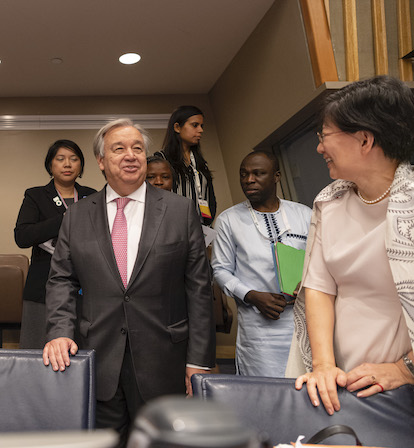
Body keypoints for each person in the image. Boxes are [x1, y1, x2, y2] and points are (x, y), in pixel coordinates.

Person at [43, 118, 215, 445]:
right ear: (101, 161)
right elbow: (61, 279)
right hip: (99, 356)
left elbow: (199, 290)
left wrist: (199, 360)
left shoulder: (180, 211)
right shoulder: (77, 216)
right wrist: (59, 331)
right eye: (119, 148)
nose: (131, 155)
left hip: (165, 360)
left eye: (138, 148)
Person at [290, 76, 414, 415]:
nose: (319, 148)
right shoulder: (328, 202)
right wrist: (324, 365)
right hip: (339, 378)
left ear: (364, 139)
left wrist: (405, 369)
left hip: (400, 384)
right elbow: (318, 287)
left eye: (325, 136)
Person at [212, 150, 311, 377]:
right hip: (259, 330)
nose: (249, 180)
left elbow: (320, 263)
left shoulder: (304, 214)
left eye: (258, 173)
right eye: (244, 174)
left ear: (276, 176)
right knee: (266, 396)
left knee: (307, 390)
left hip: (303, 321)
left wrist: (305, 284)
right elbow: (220, 270)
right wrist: (251, 295)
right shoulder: (229, 220)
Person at [14, 140, 96, 349]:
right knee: (38, 350)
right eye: (60, 159)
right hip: (43, 285)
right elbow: (22, 237)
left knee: (81, 351)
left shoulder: (92, 196)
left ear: (81, 166)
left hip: (87, 285)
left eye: (74, 159)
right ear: (50, 166)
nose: (67, 164)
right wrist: (66, 218)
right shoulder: (36, 195)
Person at [154, 105, 217, 225]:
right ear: (177, 127)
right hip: (172, 227)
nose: (200, 130)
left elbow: (209, 197)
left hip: (200, 229)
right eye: (195, 125)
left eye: (201, 126)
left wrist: (207, 224)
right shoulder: (161, 159)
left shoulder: (201, 163)